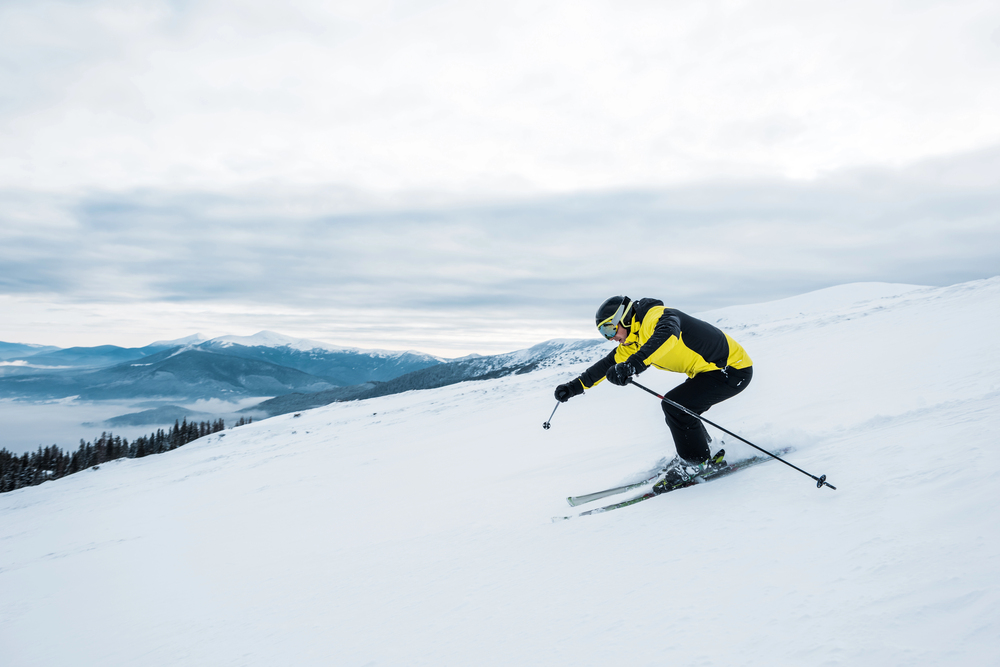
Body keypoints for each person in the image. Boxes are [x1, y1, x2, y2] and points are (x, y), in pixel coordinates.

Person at [554, 295, 753, 493]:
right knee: (680, 406)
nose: (610, 337)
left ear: (623, 318)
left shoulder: (654, 317)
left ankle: (696, 462)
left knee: (676, 406)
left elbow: (668, 334)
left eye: (609, 329)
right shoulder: (633, 341)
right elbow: (605, 365)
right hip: (709, 372)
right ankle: (702, 451)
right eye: (603, 333)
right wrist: (573, 387)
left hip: (731, 369)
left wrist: (633, 365)